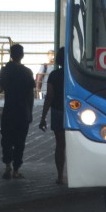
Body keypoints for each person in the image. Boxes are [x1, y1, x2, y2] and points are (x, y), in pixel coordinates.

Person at [0, 44, 35, 180]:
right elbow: (31, 95)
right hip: (23, 111)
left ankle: (8, 166)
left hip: (9, 110)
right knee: (20, 141)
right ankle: (16, 170)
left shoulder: (5, 70)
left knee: (6, 139)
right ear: (22, 55)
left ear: (10, 55)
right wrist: (30, 112)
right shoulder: (28, 72)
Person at [39, 47, 66, 184]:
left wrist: (43, 117)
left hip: (57, 111)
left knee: (60, 145)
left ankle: (60, 176)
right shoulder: (75, 75)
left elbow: (49, 96)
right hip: (73, 113)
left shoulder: (54, 75)